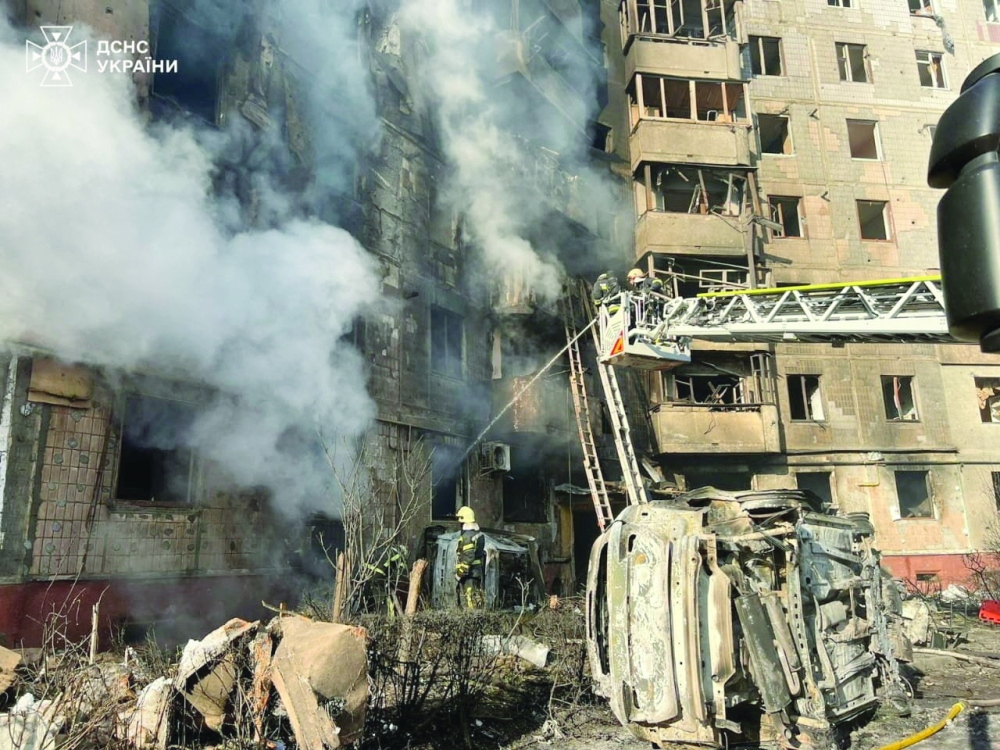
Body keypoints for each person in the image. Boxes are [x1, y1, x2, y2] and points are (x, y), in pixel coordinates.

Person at [455, 505, 486, 609]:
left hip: (469, 573)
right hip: (477, 572)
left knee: (469, 601)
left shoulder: (467, 536)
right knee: (477, 599)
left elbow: (468, 558)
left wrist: (459, 573)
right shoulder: (479, 534)